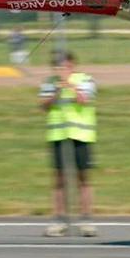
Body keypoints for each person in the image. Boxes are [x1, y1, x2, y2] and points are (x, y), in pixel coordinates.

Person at [39, 50, 97, 237]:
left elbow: (84, 100)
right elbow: (44, 106)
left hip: (81, 135)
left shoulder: (85, 79)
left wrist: (70, 85)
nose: (60, 70)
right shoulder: (50, 82)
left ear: (72, 65)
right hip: (59, 134)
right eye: (57, 66)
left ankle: (86, 219)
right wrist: (57, 91)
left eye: (63, 66)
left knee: (83, 179)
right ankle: (59, 219)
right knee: (59, 180)